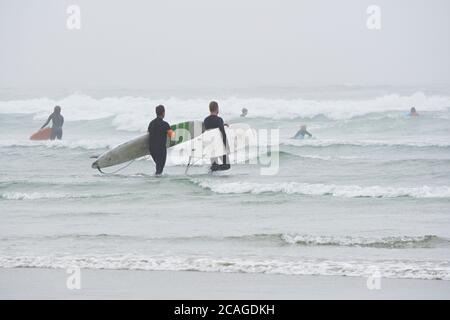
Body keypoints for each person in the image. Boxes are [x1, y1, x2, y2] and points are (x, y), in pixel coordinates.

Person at [204, 101, 231, 171]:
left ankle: (212, 170)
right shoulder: (219, 120)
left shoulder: (206, 120)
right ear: (217, 109)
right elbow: (223, 134)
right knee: (227, 165)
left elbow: (210, 129)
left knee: (215, 165)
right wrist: (226, 147)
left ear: (209, 109)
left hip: (210, 146)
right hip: (219, 147)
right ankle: (214, 169)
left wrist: (222, 124)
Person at [147, 105, 174, 176]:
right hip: (160, 149)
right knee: (160, 169)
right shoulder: (165, 124)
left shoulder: (151, 123)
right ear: (163, 113)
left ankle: (156, 180)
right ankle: (156, 182)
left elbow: (148, 134)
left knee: (158, 167)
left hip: (152, 149)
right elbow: (172, 136)